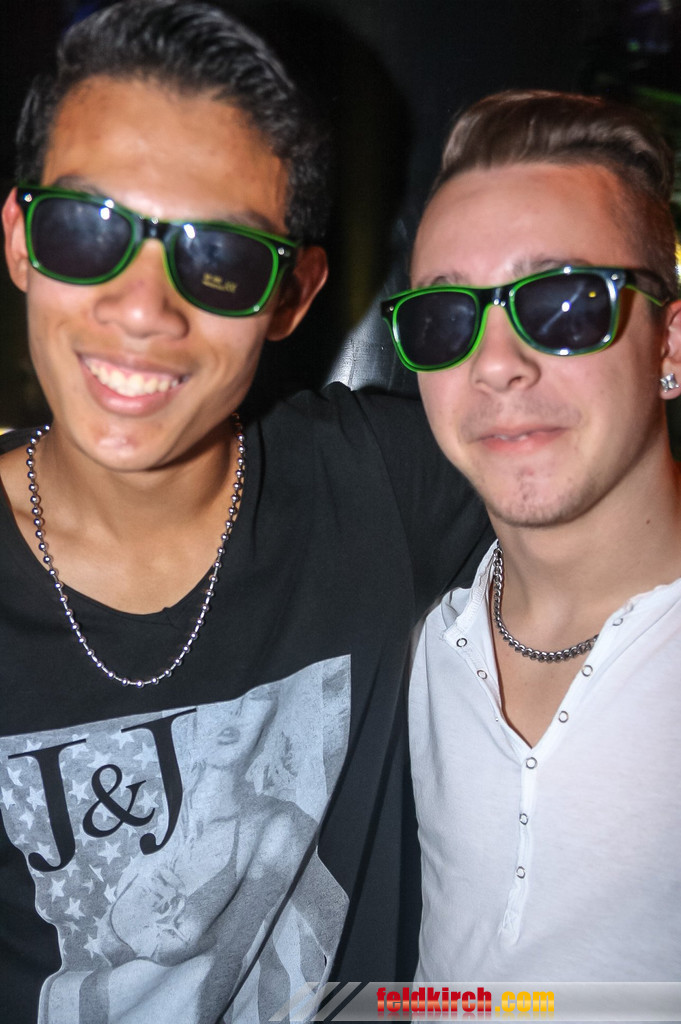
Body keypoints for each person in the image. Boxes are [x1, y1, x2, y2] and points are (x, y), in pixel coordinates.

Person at [0, 3, 490, 1022]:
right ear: (20, 240)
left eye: (218, 257)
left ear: (292, 296)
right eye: (86, 229)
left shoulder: (378, 484)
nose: (143, 309)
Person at [382, 88, 681, 988]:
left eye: (562, 303)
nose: (496, 363)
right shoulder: (418, 641)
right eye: (445, 317)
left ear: (668, 347)